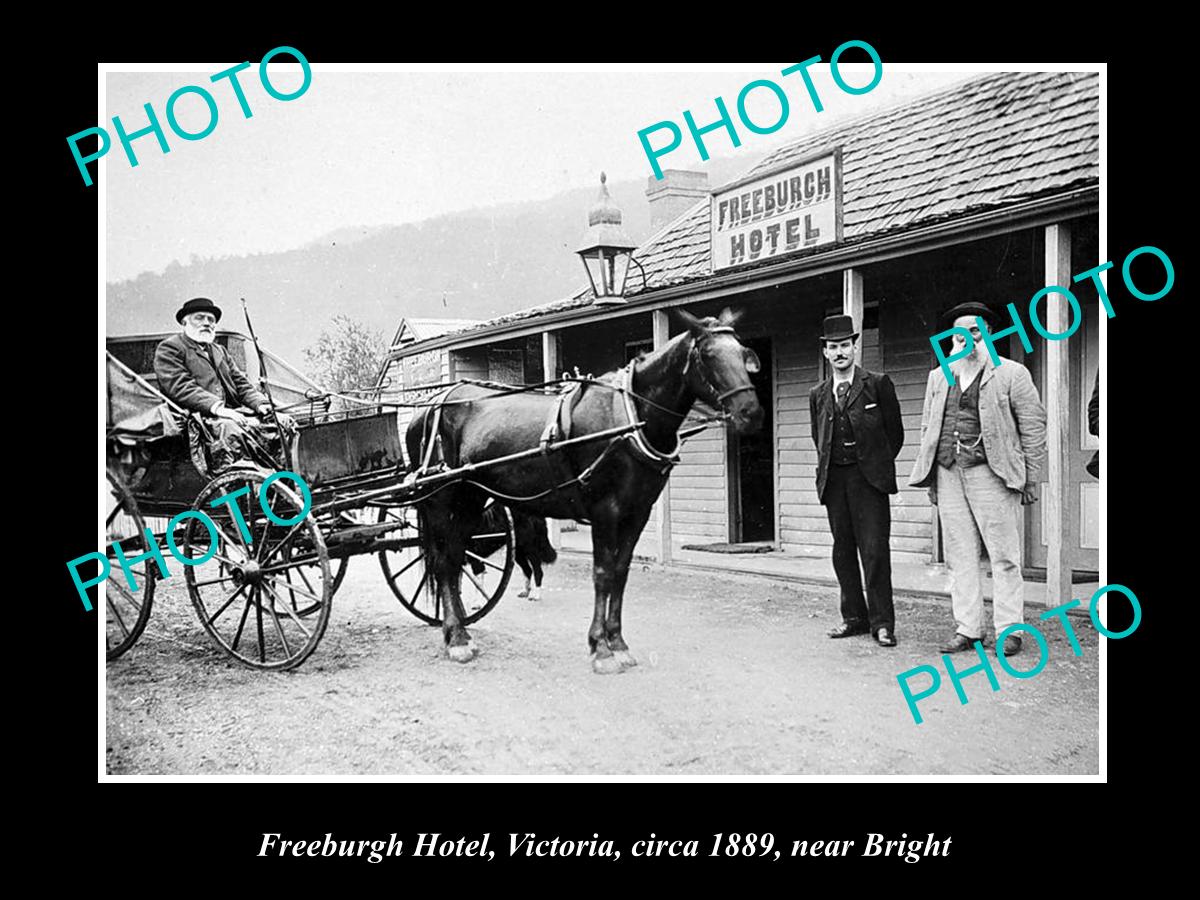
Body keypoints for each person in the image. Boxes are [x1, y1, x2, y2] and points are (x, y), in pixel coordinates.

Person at [909, 302, 1047, 657]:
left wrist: (1031, 478)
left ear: (987, 333)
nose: (967, 338)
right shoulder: (938, 377)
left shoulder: (1011, 374)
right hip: (949, 472)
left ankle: (1009, 631)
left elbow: (1032, 428)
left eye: (975, 330)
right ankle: (968, 628)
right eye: (960, 332)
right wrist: (932, 480)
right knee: (960, 557)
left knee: (1004, 555)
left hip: (993, 474)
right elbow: (929, 428)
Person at [809, 314, 904, 647]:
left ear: (854, 347)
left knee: (875, 551)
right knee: (842, 551)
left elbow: (895, 435)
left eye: (844, 346)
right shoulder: (818, 394)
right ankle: (854, 617)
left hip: (869, 482)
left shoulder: (877, 383)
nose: (839, 353)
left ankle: (882, 623)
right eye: (833, 347)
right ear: (825, 352)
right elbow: (818, 436)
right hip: (835, 481)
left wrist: (874, 465)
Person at [154, 297, 284, 470]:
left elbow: (241, 384)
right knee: (231, 429)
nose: (206, 323)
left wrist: (260, 404)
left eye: (211, 319)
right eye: (199, 318)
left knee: (282, 421)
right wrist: (219, 409)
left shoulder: (219, 350)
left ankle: (284, 478)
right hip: (196, 419)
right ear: (184, 322)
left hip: (231, 413)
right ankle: (239, 483)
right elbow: (181, 387)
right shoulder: (170, 348)